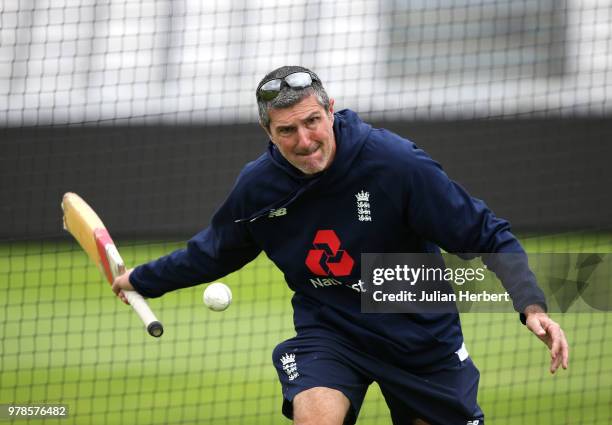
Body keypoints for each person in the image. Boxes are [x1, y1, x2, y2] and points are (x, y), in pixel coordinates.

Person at [112, 65, 569, 425]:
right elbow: (214, 251)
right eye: (286, 131)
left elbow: (486, 232)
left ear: (331, 110)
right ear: (267, 133)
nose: (305, 140)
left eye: (312, 121)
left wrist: (531, 304)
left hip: (418, 334)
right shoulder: (258, 187)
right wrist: (142, 279)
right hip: (330, 331)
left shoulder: (395, 165)